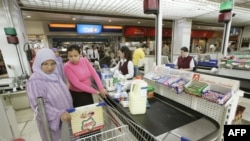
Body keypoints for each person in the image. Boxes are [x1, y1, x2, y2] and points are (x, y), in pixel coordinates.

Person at [26, 48, 73, 141]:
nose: (49, 67)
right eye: (45, 64)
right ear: (39, 63)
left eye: (52, 63)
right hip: (53, 125)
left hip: (66, 120)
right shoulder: (35, 81)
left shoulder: (55, 75)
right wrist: (59, 114)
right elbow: (38, 107)